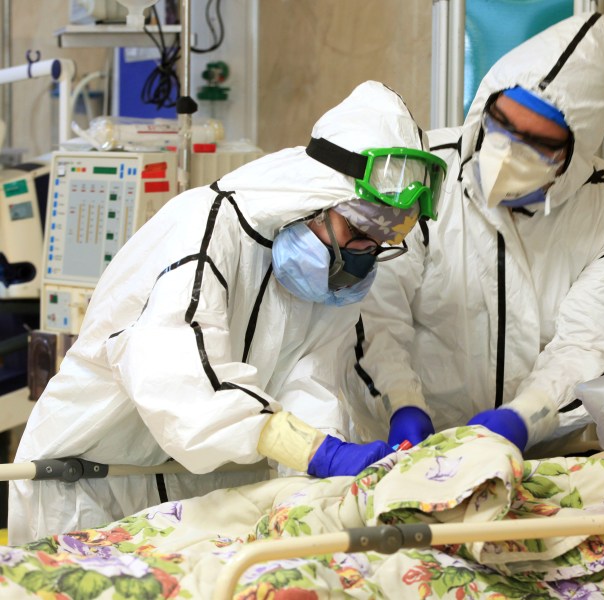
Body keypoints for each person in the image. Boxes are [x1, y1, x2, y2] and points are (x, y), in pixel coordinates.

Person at [8, 81, 447, 544]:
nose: (367, 250)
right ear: (318, 198)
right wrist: (316, 452)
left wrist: (327, 455)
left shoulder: (327, 281)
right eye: (361, 228)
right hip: (90, 487)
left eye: (385, 237)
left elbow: (311, 380)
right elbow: (180, 381)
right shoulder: (203, 233)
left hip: (198, 499)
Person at [343, 13, 604, 456]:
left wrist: (526, 416)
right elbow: (376, 312)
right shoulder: (418, 174)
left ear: (572, 152)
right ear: (484, 107)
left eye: (537, 143)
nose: (508, 149)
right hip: (396, 443)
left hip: (539, 453)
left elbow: (589, 347)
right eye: (501, 124)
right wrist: (401, 402)